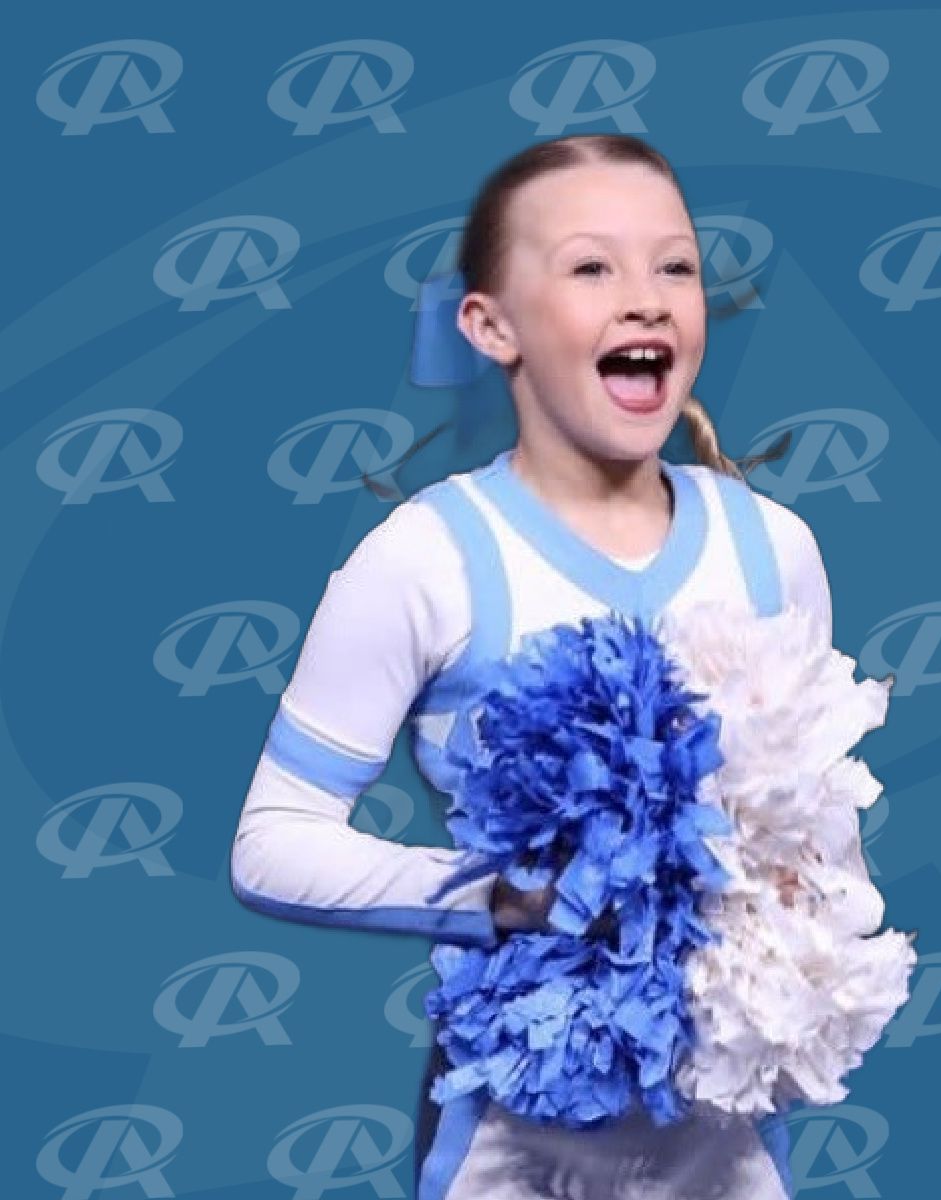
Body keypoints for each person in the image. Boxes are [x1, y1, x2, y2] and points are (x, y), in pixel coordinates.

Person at [229, 133, 834, 1200]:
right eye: (592, 266)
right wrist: (496, 898)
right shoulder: (426, 557)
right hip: (514, 1159)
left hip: (732, 1159)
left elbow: (825, 842)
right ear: (491, 326)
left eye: (676, 267)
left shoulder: (773, 548)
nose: (645, 299)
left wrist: (807, 947)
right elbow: (272, 845)